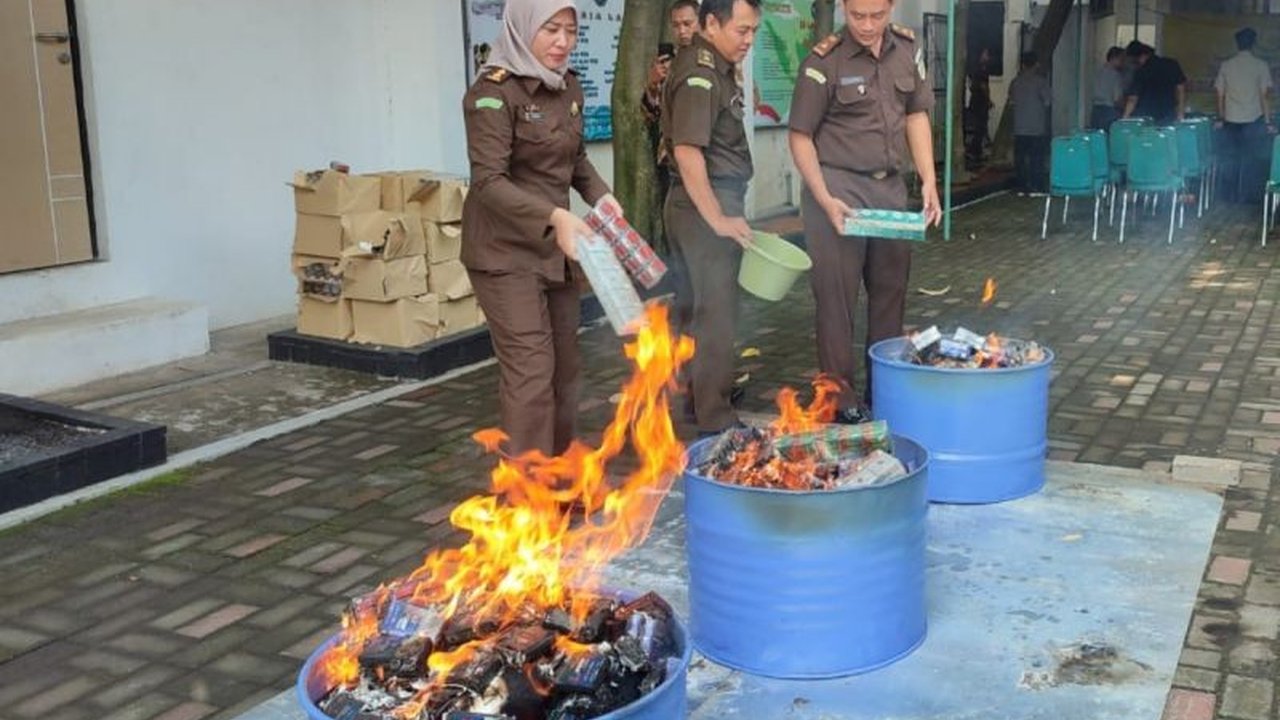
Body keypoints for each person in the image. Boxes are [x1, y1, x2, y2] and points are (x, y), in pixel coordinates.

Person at [461, 0, 622, 457]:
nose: (562, 42)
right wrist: (556, 217)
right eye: (550, 29)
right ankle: (526, 500)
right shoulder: (492, 93)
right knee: (531, 373)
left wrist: (603, 198)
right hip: (504, 253)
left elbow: (576, 159)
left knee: (565, 372)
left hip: (556, 249)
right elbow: (488, 182)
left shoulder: (568, 87)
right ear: (523, 26)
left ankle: (558, 479)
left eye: (570, 31)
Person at [788, 0, 942, 423]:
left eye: (877, 15)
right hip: (837, 190)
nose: (868, 25)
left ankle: (884, 391)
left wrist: (928, 179)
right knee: (837, 303)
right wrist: (822, 196)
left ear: (891, 7)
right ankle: (840, 401)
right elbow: (800, 137)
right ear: (843, 7)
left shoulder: (907, 51)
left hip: (889, 190)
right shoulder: (823, 61)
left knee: (890, 295)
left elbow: (916, 116)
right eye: (857, 16)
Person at [661, 0, 761, 437]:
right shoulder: (701, 75)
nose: (749, 40)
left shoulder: (712, 68)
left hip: (698, 206)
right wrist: (719, 219)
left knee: (692, 310)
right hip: (703, 210)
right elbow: (687, 151)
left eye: (754, 31)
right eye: (742, 30)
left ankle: (689, 401)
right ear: (711, 23)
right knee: (715, 315)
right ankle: (716, 419)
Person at [642, 0, 702, 332]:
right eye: (677, 24)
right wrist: (653, 85)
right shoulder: (668, 64)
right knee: (683, 266)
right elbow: (650, 116)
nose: (682, 31)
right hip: (674, 172)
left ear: (701, 21)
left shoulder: (714, 60)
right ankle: (684, 351)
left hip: (709, 176)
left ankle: (707, 358)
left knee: (707, 277)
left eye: (688, 23)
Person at [1215, 27, 1274, 203]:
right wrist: (1268, 121)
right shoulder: (1261, 65)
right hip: (1253, 120)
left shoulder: (1226, 65)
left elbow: (1220, 94)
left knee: (1230, 159)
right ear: (1253, 44)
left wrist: (1220, 117)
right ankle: (1248, 197)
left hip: (1231, 120)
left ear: (1237, 44)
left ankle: (1229, 196)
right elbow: (1264, 96)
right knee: (1251, 160)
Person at [1009, 51, 1051, 193]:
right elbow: (1047, 102)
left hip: (1020, 127)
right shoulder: (1041, 82)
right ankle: (1036, 185)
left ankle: (1021, 185)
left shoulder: (1015, 82)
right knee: (1036, 159)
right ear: (1036, 64)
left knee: (1020, 159)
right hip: (1036, 127)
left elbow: (1012, 101)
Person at [1123, 41, 1187, 125]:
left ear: (1142, 57)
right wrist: (1180, 113)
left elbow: (1133, 99)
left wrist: (1125, 118)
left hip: (1145, 115)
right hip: (1168, 112)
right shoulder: (1172, 64)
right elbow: (1181, 89)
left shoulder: (1141, 71)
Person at [966, 47, 994, 166]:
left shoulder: (975, 69)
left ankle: (976, 151)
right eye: (986, 54)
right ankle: (974, 151)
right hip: (980, 102)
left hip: (975, 101)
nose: (988, 57)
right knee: (980, 128)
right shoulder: (981, 70)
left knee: (980, 128)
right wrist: (988, 100)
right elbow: (983, 86)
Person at [1091, 46, 1126, 130]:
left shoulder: (1097, 72)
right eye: (1121, 59)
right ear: (1114, 58)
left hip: (1095, 111)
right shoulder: (1116, 75)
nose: (1123, 62)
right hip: (1109, 111)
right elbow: (1117, 99)